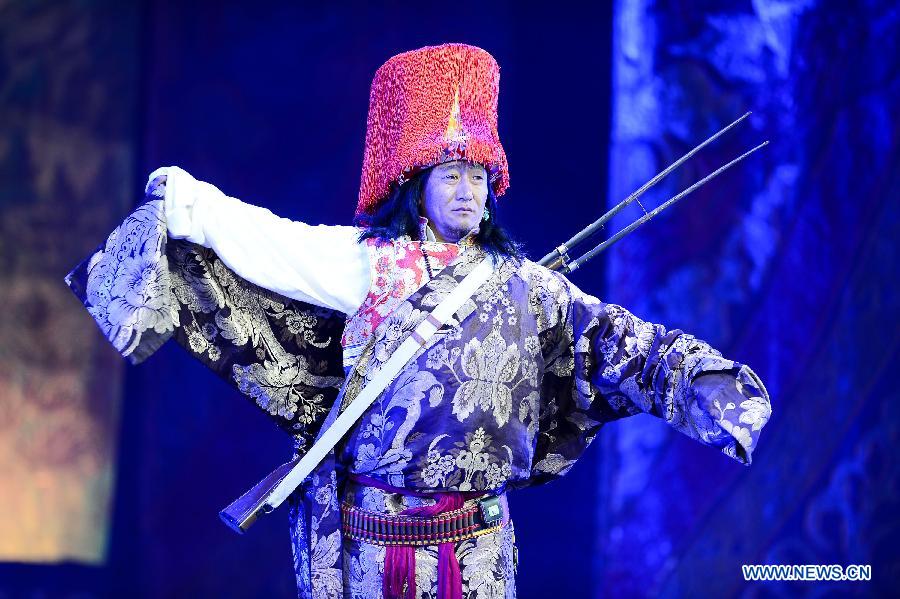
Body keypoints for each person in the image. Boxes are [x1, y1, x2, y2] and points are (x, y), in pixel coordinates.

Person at [67, 43, 772, 599]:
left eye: (476, 175)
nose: (467, 189)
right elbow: (271, 243)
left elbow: (621, 344)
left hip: (477, 550)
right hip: (373, 546)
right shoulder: (366, 264)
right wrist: (192, 205)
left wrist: (702, 382)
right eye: (449, 173)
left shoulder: (528, 288)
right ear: (416, 184)